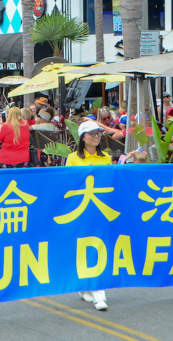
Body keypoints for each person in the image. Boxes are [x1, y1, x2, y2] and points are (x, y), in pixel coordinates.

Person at [66, 120, 111, 311]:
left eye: (98, 133)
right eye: (91, 133)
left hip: (101, 209)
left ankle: (99, 293)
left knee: (98, 246)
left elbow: (111, 180)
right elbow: (68, 182)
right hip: (81, 209)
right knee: (82, 246)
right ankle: (85, 286)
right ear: (82, 137)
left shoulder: (106, 157)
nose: (96, 136)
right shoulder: (73, 157)